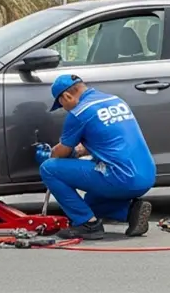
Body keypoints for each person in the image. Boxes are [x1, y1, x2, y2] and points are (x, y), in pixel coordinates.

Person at [38, 74, 157, 240]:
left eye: (61, 104)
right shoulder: (115, 101)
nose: (64, 109)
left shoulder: (79, 112)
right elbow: (108, 141)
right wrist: (79, 151)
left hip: (121, 178)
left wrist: (48, 155)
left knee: (49, 169)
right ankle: (130, 212)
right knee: (90, 203)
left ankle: (87, 225)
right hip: (146, 175)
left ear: (67, 96)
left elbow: (62, 152)